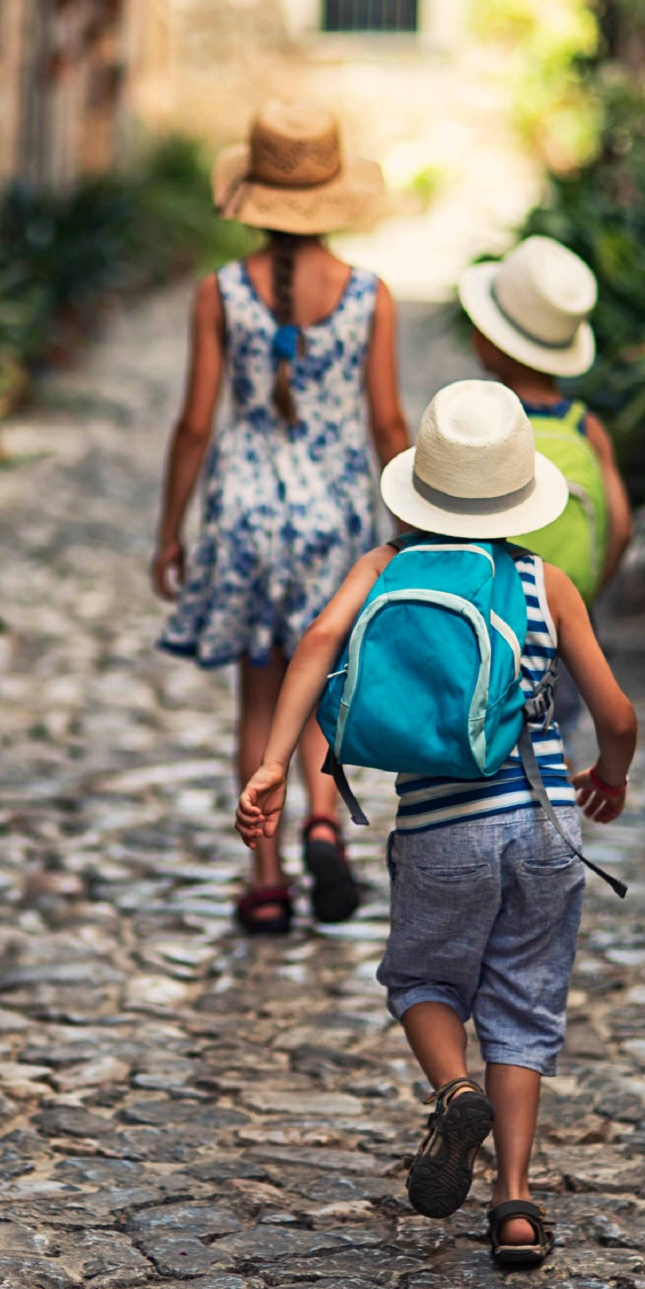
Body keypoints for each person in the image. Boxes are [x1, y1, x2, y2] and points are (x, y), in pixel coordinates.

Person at [232, 379, 638, 1270]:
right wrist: (610, 773)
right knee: (524, 1005)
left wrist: (272, 762)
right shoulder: (547, 583)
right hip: (544, 830)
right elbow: (616, 712)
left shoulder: (383, 567)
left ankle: (455, 1091)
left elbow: (315, 645)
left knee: (422, 980)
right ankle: (518, 1206)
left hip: (442, 828)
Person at [154, 101, 410, 936]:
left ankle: (265, 882)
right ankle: (324, 824)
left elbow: (196, 423)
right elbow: (388, 425)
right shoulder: (372, 297)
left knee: (259, 701)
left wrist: (171, 530)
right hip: (335, 515)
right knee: (324, 687)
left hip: (242, 511)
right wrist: (409, 537)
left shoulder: (220, 292)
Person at [459, 237, 632, 601]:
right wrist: (581, 596)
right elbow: (620, 529)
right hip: (563, 614)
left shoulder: (479, 420)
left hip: (485, 615)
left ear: (494, 341)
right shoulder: (585, 428)